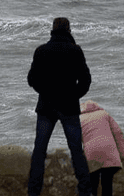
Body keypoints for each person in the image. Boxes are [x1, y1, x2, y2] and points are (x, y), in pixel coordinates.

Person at [26, 17, 92, 196]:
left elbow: (32, 79)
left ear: (52, 30)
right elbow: (86, 80)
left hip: (46, 106)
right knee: (76, 150)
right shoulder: (75, 50)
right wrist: (73, 95)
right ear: (69, 30)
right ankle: (85, 191)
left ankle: (33, 191)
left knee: (39, 150)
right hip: (69, 107)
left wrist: (45, 91)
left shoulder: (41, 51)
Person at [79, 100, 124, 196]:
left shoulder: (79, 119)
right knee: (107, 183)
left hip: (92, 154)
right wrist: (123, 154)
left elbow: (76, 140)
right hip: (109, 153)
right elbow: (118, 133)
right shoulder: (104, 114)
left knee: (93, 183)